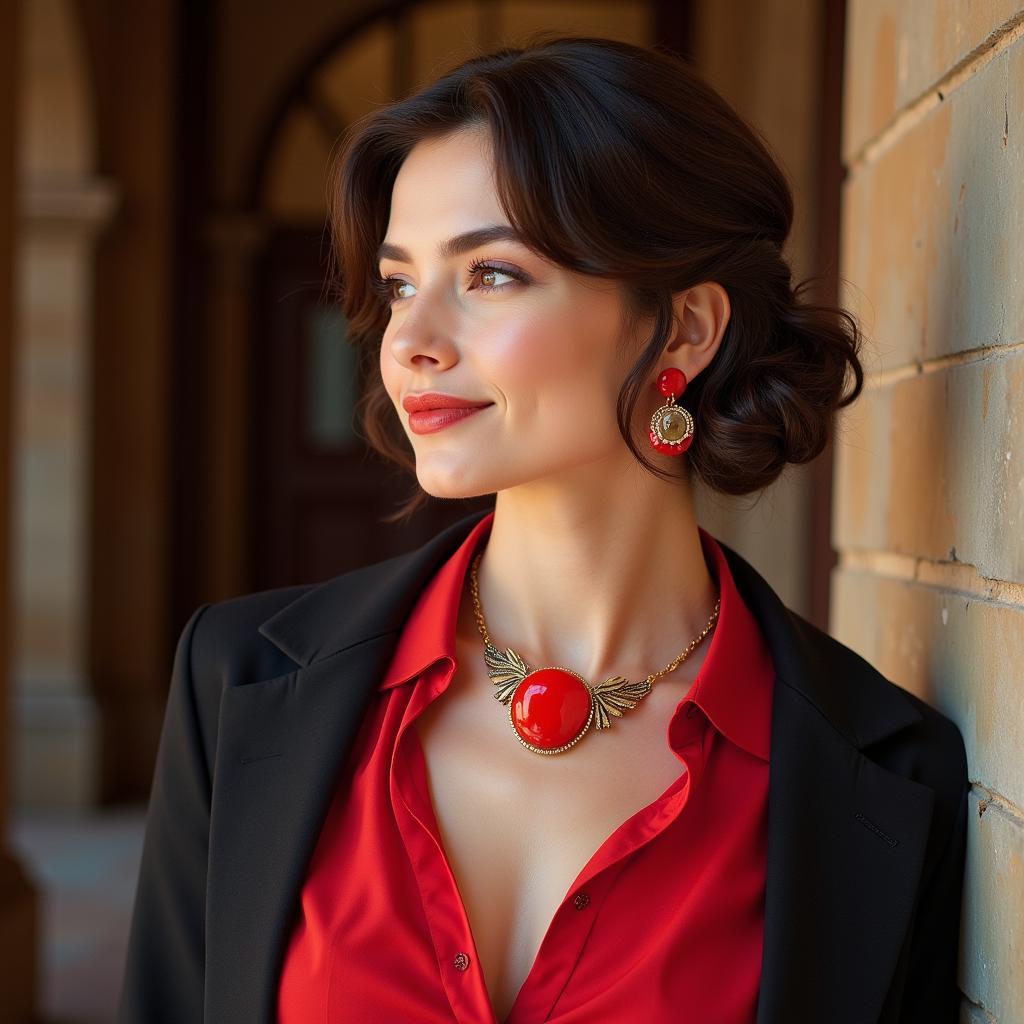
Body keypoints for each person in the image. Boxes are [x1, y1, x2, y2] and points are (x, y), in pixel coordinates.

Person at [118, 35, 969, 1024]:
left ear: (685, 328)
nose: (409, 343)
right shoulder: (235, 683)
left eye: (490, 275)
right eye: (399, 283)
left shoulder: (883, 775)